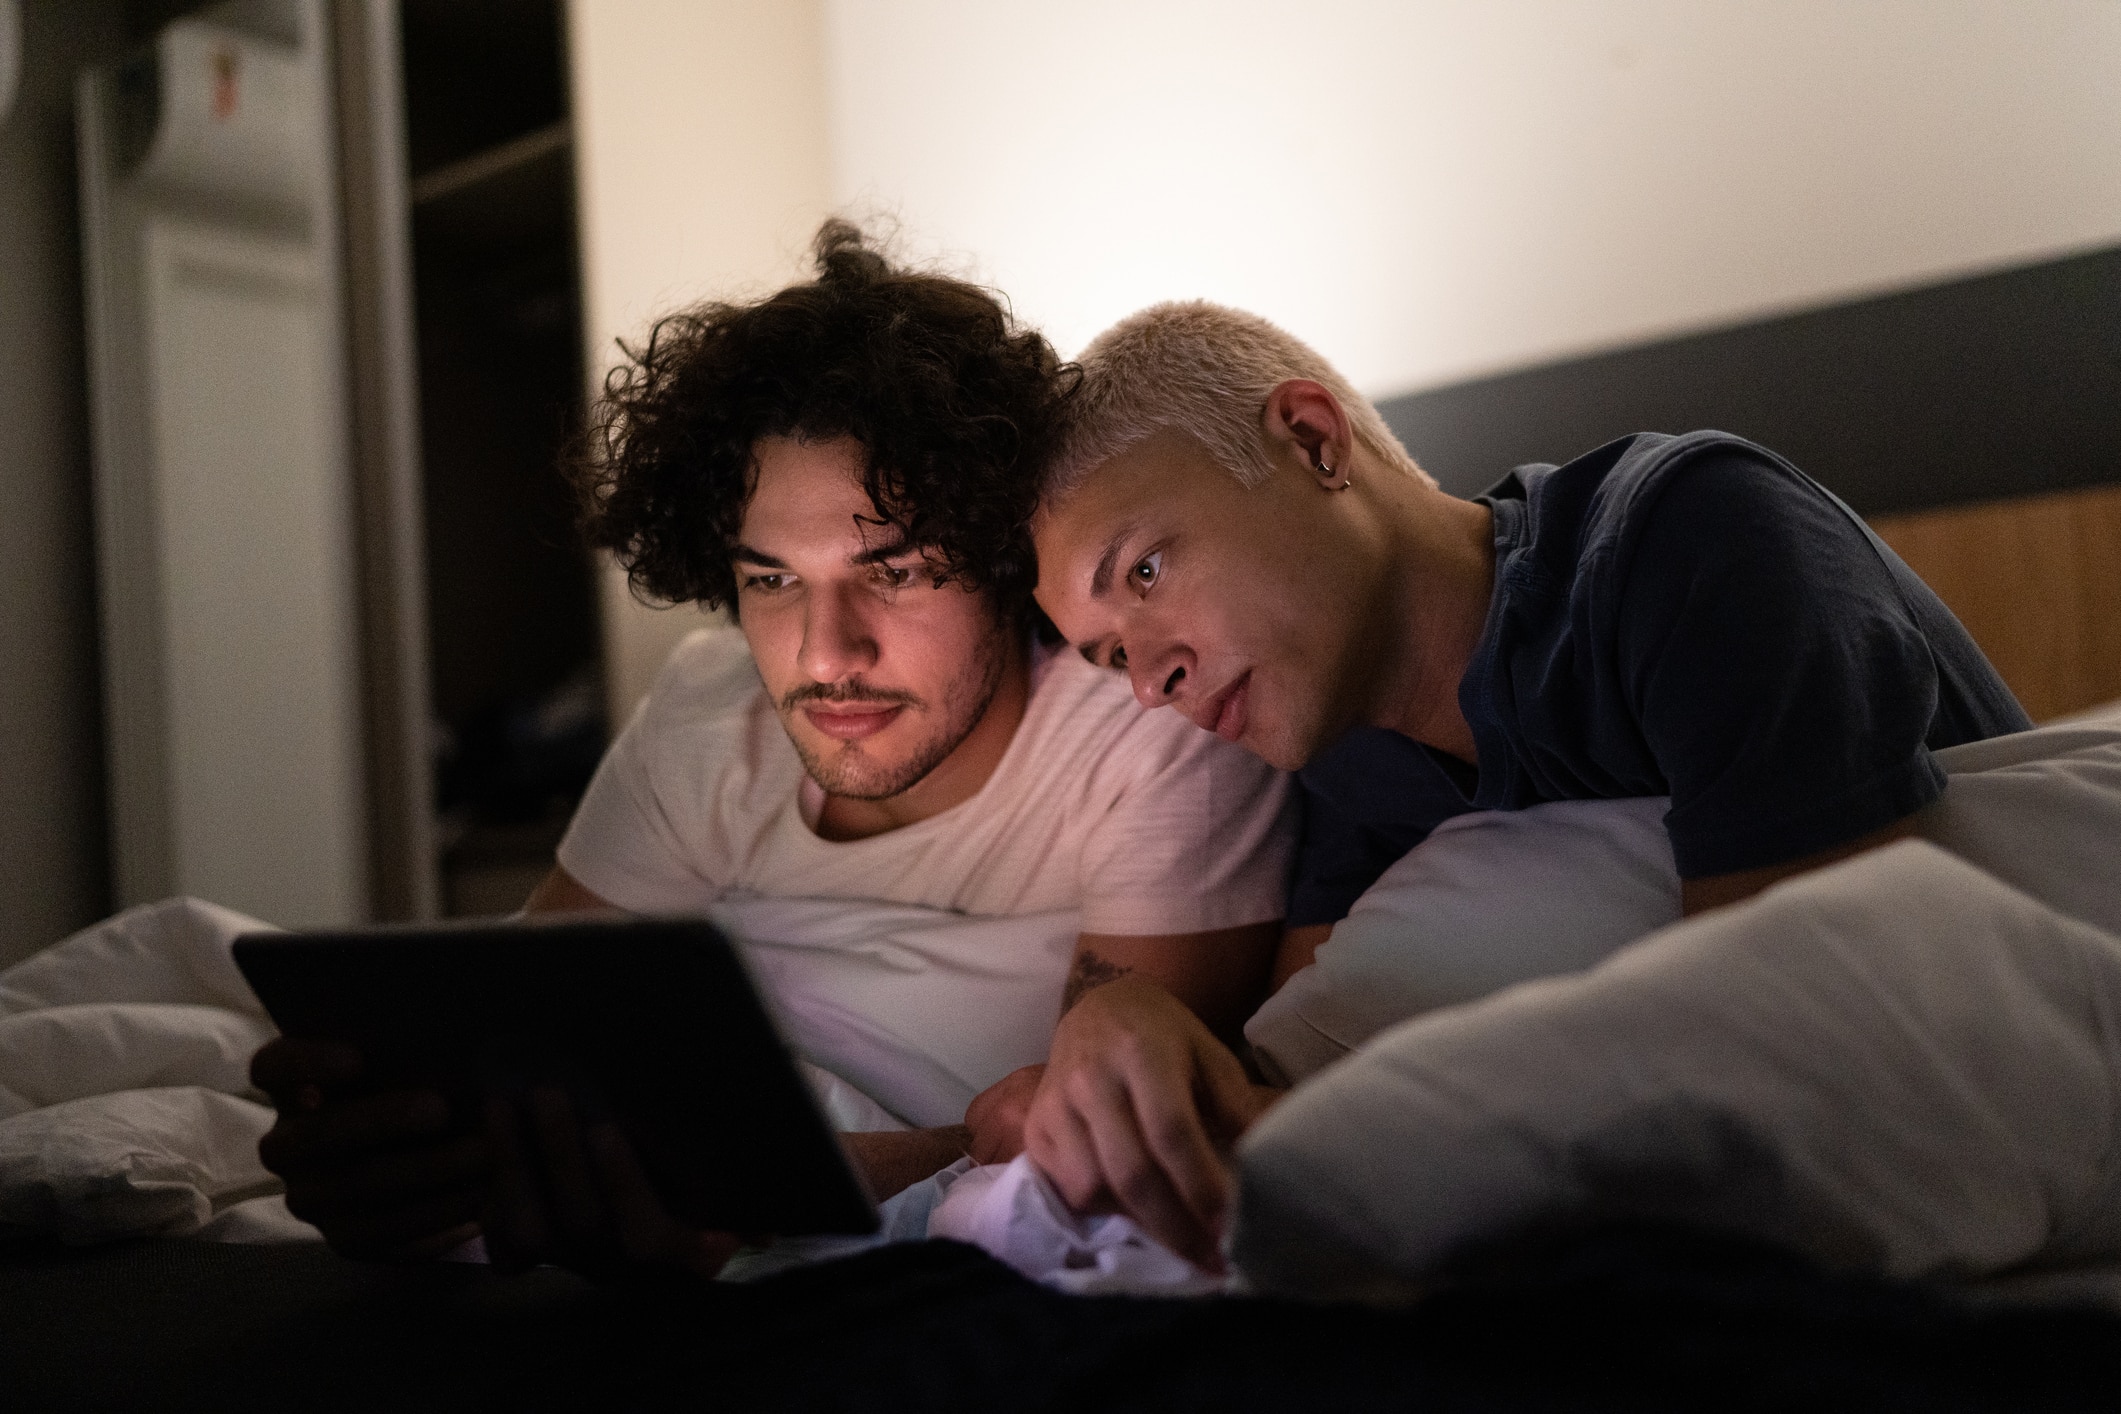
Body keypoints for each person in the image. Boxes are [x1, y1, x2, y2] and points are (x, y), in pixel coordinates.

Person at [249, 230, 1294, 1277]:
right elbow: (525, 1025)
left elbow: (1082, 1145)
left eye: (898, 571)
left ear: (1003, 559)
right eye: (772, 580)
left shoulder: (1151, 727)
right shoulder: (711, 710)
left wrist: (721, 1188)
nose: (826, 651)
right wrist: (419, 1152)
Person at [1009, 298, 2032, 1265]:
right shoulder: (1345, 762)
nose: (1149, 681)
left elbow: (1791, 1060)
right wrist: (1125, 1019)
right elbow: (1297, 1065)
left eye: (1144, 572)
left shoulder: (1694, 540)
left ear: (1316, 441)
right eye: (1106, 658)